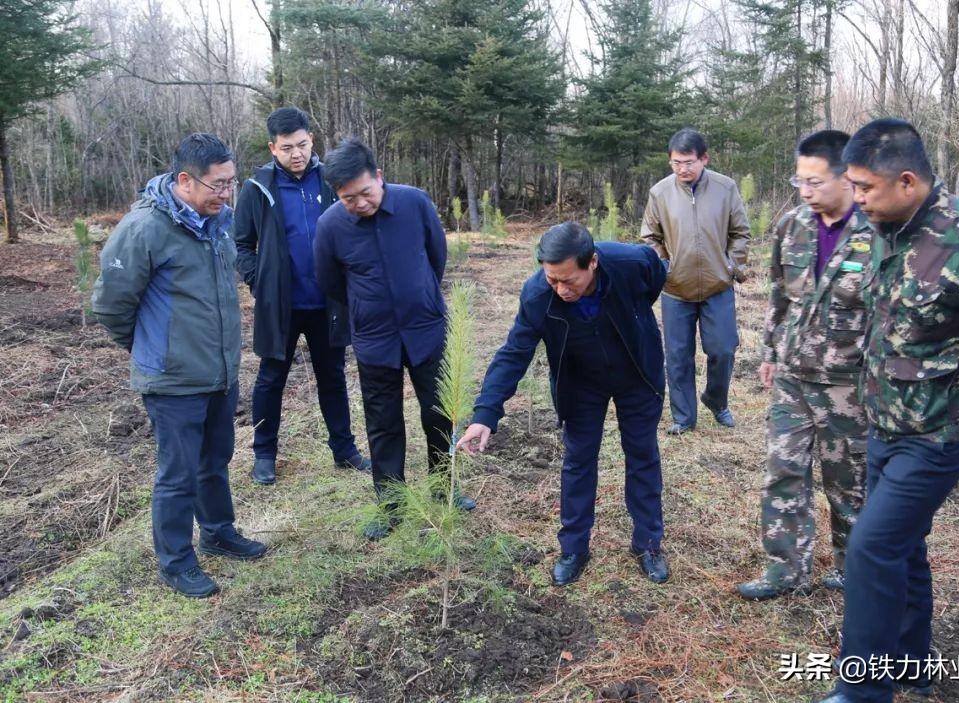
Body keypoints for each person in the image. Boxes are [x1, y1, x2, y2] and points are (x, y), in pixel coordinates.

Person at [816, 118, 959, 703]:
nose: (857, 198)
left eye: (866, 187)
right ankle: (911, 664)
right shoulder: (879, 231)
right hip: (886, 420)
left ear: (908, 181)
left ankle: (862, 691)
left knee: (870, 546)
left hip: (944, 429)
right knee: (902, 542)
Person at [92, 133, 266, 598]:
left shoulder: (221, 221)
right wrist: (151, 348)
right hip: (172, 380)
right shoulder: (144, 228)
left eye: (231, 182)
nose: (227, 193)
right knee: (178, 472)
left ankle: (218, 531)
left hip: (220, 372)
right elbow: (111, 304)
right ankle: (175, 561)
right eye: (218, 185)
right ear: (184, 181)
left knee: (215, 460)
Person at [457, 223, 670, 586]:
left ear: (593, 263)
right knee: (578, 460)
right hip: (581, 381)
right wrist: (485, 415)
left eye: (569, 280)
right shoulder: (538, 295)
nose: (560, 289)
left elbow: (654, 279)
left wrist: (633, 319)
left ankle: (648, 544)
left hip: (636, 372)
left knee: (642, 454)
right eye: (552, 278)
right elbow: (513, 354)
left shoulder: (631, 263)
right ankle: (574, 548)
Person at [313, 138, 474, 541]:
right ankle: (391, 503)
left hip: (425, 329)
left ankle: (445, 488)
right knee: (383, 422)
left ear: (379, 178)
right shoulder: (330, 225)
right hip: (374, 338)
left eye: (365, 193)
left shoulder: (415, 203)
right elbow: (331, 282)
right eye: (349, 198)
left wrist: (418, 297)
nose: (360, 203)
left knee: (438, 413)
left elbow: (436, 256)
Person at [737, 130, 871, 601]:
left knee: (850, 484)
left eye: (815, 182)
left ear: (847, 178)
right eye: (801, 181)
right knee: (783, 472)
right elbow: (778, 295)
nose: (806, 191)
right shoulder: (792, 224)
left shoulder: (877, 233)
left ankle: (855, 569)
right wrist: (770, 353)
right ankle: (784, 569)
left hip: (849, 384)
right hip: (793, 377)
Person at [233, 107, 369, 485]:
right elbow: (241, 243)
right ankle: (264, 454)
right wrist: (259, 281)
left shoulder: (330, 181)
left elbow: (355, 228)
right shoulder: (257, 188)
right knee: (270, 378)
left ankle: (345, 450)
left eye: (304, 145)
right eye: (288, 147)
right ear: (272, 148)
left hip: (328, 302)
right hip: (281, 305)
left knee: (333, 376)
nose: (298, 154)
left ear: (312, 141)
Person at [641, 127, 752, 434]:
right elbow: (650, 236)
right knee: (678, 356)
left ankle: (717, 400)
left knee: (723, 349)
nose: (682, 169)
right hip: (676, 288)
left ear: (704, 158)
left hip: (718, 286)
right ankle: (683, 417)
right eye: (676, 162)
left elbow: (740, 232)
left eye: (689, 161)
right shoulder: (660, 193)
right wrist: (665, 266)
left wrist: (730, 266)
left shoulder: (725, 188)